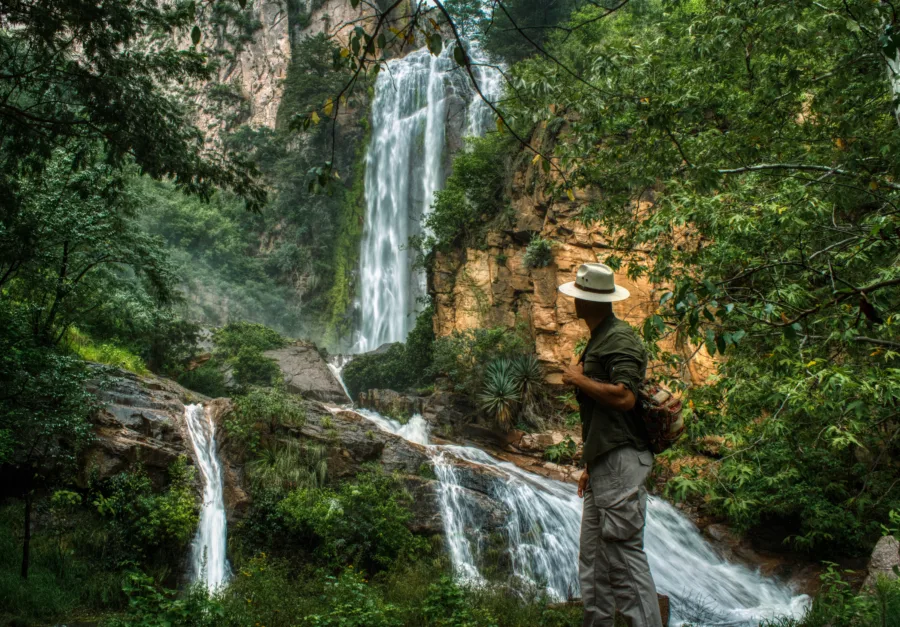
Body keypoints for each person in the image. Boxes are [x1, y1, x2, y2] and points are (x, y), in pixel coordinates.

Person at [559, 263, 663, 627]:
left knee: (623, 555)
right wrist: (590, 465)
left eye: (578, 296)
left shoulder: (619, 338)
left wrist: (577, 377)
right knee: (594, 561)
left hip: (621, 462)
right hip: (604, 463)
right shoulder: (599, 336)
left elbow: (624, 398)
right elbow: (602, 416)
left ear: (590, 301)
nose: (574, 301)